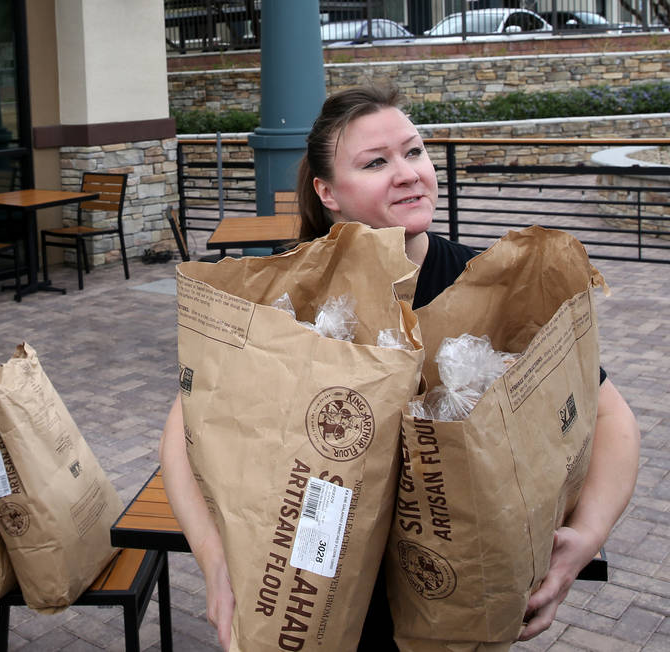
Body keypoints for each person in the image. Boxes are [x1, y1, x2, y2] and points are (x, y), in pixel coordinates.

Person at [158, 84, 641, 649]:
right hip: (312, 611)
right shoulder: (285, 294)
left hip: (453, 612)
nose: (409, 172)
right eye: (376, 162)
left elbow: (611, 419)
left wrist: (587, 535)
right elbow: (183, 432)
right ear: (328, 191)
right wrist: (216, 567)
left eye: (414, 152)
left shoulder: (490, 285)